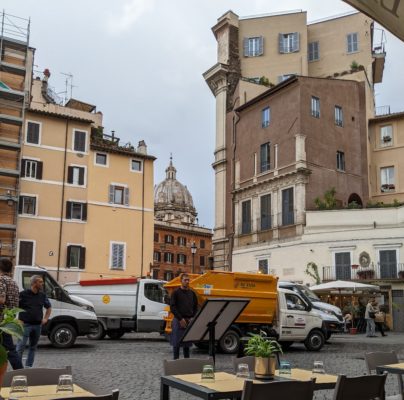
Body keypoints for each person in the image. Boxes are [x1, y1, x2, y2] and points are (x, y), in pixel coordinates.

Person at [17, 275, 52, 368]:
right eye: (40, 282)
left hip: (37, 326)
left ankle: (29, 366)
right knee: (20, 347)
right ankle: (17, 368)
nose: (42, 283)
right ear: (34, 283)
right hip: (25, 325)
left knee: (33, 348)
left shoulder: (42, 295)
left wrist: (46, 318)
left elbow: (49, 307)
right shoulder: (23, 294)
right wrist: (17, 320)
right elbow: (14, 307)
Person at [0, 258, 23, 369]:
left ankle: (20, 373)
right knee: (9, 350)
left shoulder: (1, 280)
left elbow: (1, 299)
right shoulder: (13, 282)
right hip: (8, 321)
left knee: (10, 351)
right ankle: (20, 373)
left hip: (1, 323)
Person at [169, 273, 198, 360]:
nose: (187, 282)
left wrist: (193, 317)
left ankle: (187, 363)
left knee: (187, 344)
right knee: (176, 344)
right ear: (181, 281)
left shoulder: (192, 293)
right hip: (178, 320)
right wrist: (180, 319)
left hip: (189, 320)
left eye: (188, 280)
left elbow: (196, 307)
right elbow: (172, 307)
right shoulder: (176, 293)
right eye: (185, 280)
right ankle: (176, 362)